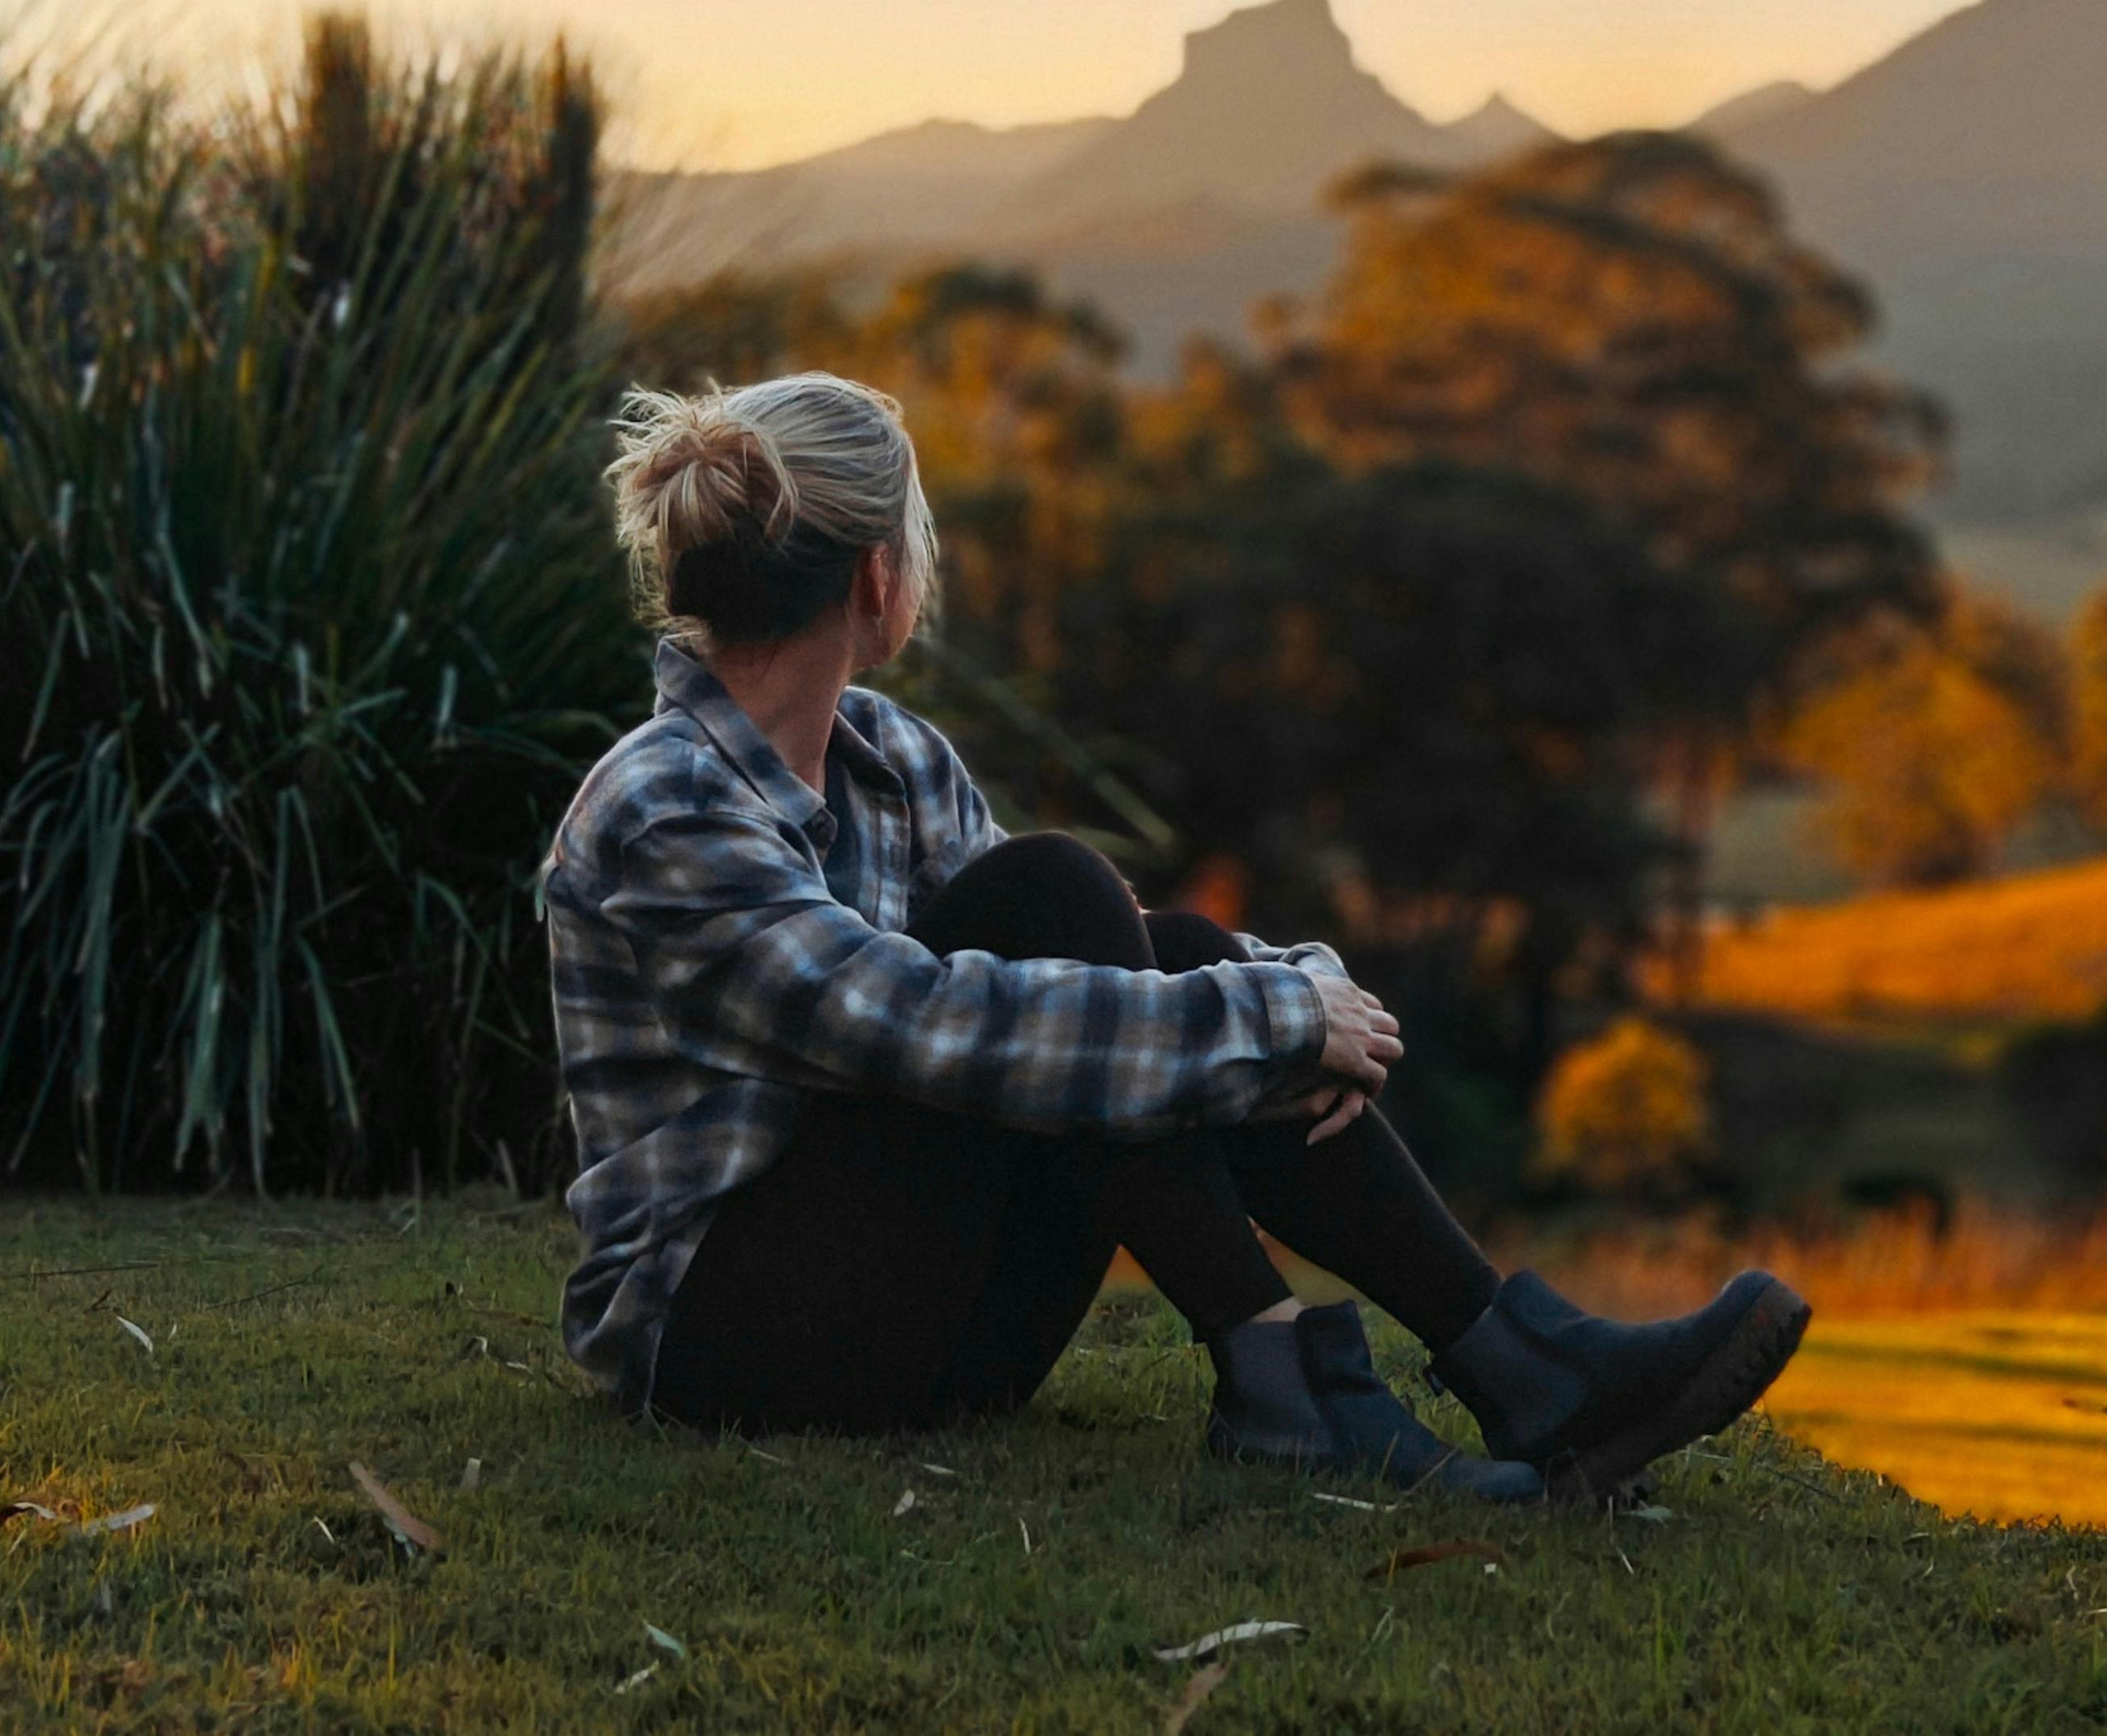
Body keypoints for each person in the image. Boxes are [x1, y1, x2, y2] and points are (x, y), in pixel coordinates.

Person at [544, 371, 1809, 1503]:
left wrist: (1286, 985)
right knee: (1057, 900)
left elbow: (1100, 972)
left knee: (1136, 937)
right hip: (732, 1348)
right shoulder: (666, 807)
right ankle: (1285, 1387)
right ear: (880, 574)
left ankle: (1520, 1367)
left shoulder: (893, 758)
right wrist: (1270, 1022)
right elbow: (925, 1027)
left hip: (937, 1326)